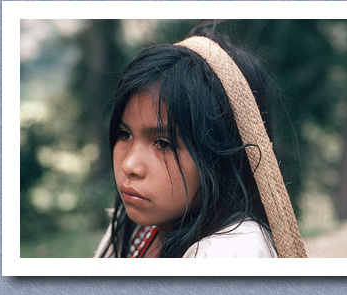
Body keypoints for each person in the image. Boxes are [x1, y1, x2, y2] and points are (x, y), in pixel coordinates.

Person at [94, 25, 306, 258]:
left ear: (219, 156)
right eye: (125, 134)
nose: (129, 166)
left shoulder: (228, 254)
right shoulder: (140, 224)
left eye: (163, 143)